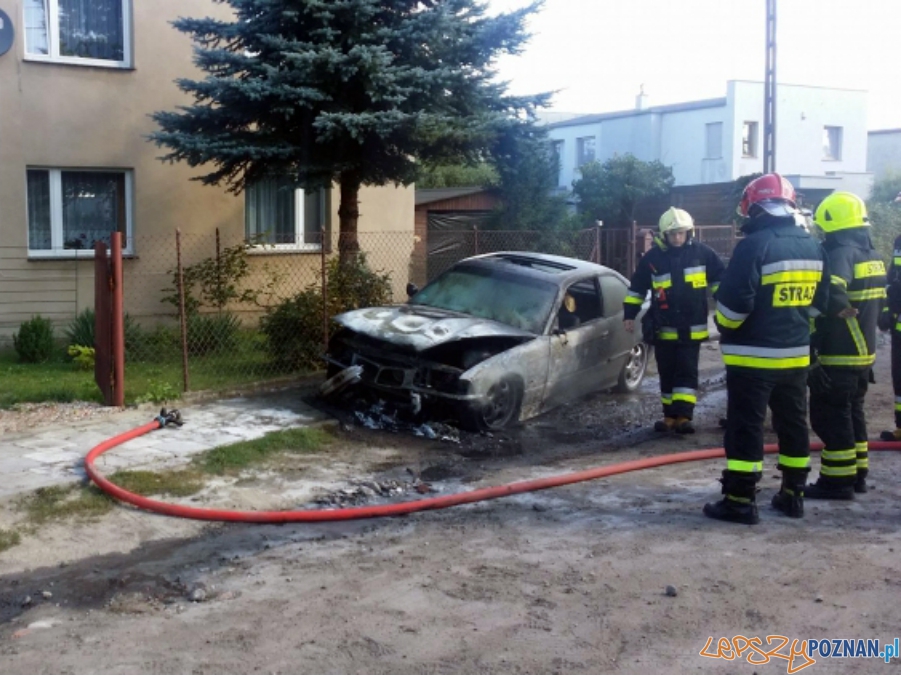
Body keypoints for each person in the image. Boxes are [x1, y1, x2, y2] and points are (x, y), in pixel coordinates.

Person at [704, 173, 829, 524]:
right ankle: (792, 495)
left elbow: (732, 309)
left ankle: (740, 500)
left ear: (753, 208)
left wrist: (727, 326)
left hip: (752, 359)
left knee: (747, 426)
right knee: (793, 424)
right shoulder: (811, 245)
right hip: (795, 356)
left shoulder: (753, 245)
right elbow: (821, 304)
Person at [804, 192, 884, 500]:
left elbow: (832, 293)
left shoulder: (841, 254)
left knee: (830, 415)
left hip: (839, 353)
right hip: (864, 353)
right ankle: (858, 475)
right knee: (853, 413)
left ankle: (837, 482)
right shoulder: (872, 255)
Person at [623, 207, 725, 434]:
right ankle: (669, 416)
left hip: (692, 327)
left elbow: (720, 280)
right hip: (663, 328)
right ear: (664, 235)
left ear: (689, 232)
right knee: (667, 372)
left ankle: (684, 417)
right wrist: (629, 314)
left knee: (687, 371)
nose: (677, 238)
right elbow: (637, 288)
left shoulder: (703, 253)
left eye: (681, 233)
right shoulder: (653, 259)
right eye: (673, 234)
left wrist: (725, 303)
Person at [879, 231, 901, 442]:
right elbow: (893, 275)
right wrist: (886, 309)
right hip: (898, 324)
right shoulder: (899, 241)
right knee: (899, 378)